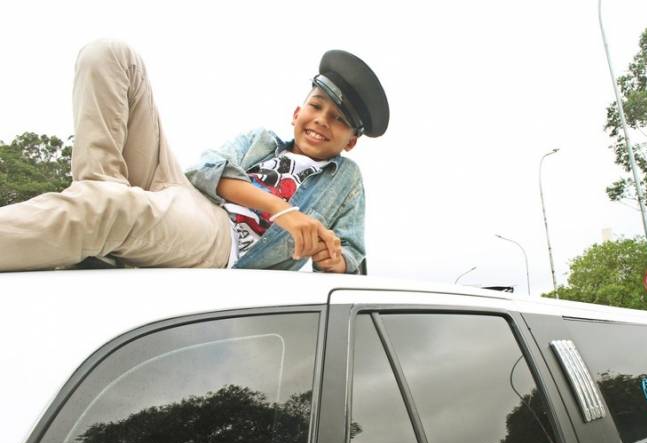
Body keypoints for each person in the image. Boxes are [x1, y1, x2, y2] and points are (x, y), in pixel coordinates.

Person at [0, 40, 388, 273]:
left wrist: (332, 257)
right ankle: (98, 216)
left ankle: (99, 215)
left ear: (351, 142)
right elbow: (206, 170)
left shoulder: (346, 180)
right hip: (183, 191)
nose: (321, 121)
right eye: (316, 106)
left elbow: (350, 254)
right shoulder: (262, 139)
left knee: (108, 206)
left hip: (222, 241)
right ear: (296, 112)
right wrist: (283, 211)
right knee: (112, 56)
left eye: (337, 121)